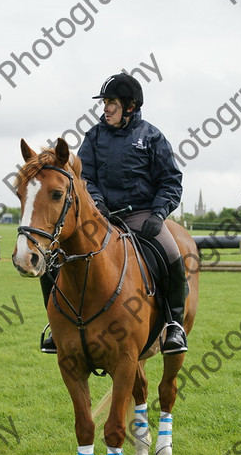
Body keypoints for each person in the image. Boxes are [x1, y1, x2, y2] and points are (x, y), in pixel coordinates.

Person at [41, 73, 187, 355]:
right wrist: (96, 201)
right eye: (105, 103)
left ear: (130, 106)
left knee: (172, 257)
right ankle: (54, 327)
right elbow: (84, 176)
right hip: (101, 217)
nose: (105, 108)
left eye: (111, 103)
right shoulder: (94, 136)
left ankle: (174, 326)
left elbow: (170, 180)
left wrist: (158, 214)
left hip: (142, 215)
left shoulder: (152, 137)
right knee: (53, 259)